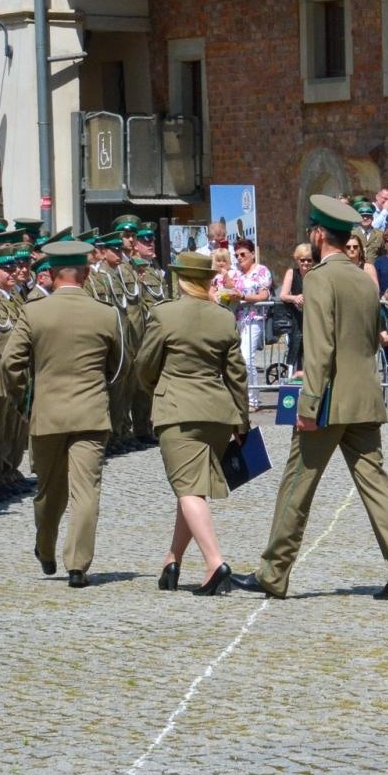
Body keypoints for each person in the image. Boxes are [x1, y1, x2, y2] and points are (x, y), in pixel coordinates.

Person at [234, 196, 388, 600]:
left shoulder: (319, 278)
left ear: (319, 235)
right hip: (365, 396)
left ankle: (273, 571)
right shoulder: (362, 278)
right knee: (376, 485)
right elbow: (371, 339)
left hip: (330, 399)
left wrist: (310, 403)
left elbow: (320, 348)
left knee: (297, 485)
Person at [0, 240, 122, 588]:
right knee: (86, 491)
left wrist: (24, 399)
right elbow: (117, 368)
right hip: (92, 413)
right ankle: (78, 564)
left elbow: (11, 363)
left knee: (49, 490)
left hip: (48, 414)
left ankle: (46, 546)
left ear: (52, 275)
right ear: (85, 274)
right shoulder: (106, 313)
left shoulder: (34, 311)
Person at [136, 251, 249, 596]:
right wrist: (241, 420)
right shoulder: (223, 318)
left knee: (187, 490)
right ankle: (172, 561)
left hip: (178, 411)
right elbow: (237, 373)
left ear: (181, 280)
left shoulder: (164, 314)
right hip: (217, 412)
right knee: (192, 489)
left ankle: (215, 564)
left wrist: (159, 388)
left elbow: (145, 365)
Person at [225, 239, 272, 411]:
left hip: (254, 318)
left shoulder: (261, 271)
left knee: (247, 357)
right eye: (236, 255)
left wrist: (243, 296)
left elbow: (263, 295)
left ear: (252, 254)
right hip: (237, 319)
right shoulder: (235, 273)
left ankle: (253, 397)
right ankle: (239, 396)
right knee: (236, 359)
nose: (239, 258)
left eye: (243, 254)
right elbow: (227, 288)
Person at [278, 243, 313, 377]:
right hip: (297, 319)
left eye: (309, 260)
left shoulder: (316, 273)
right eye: (302, 259)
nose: (305, 263)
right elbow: (283, 295)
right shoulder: (292, 273)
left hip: (313, 319)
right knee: (296, 350)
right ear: (297, 259)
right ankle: (294, 379)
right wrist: (295, 298)